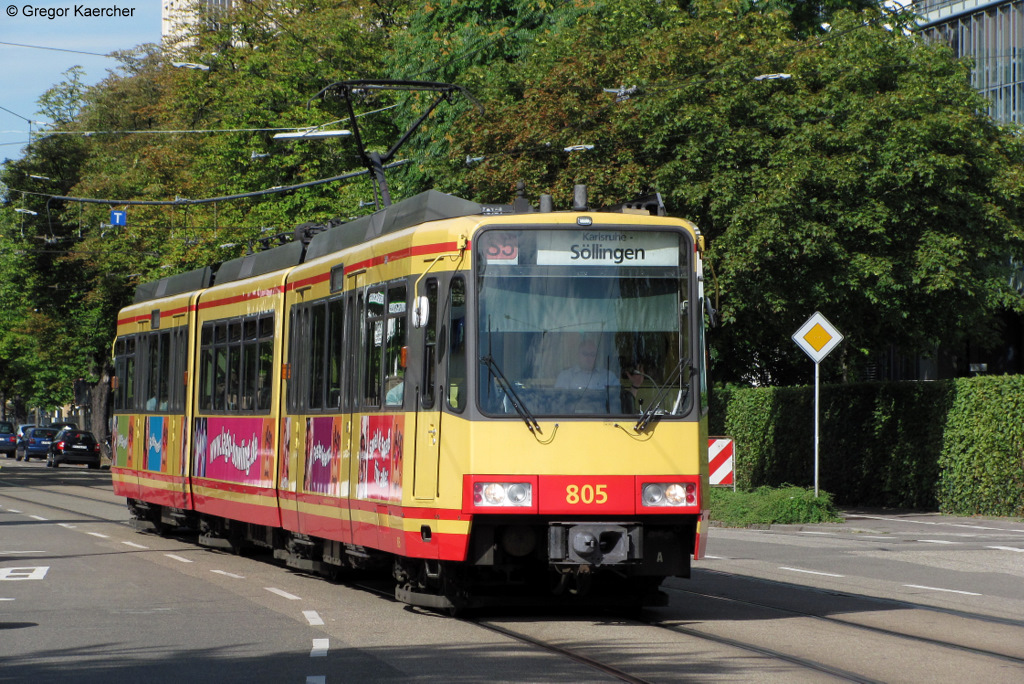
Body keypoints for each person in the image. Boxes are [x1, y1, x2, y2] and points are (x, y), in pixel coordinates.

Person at [555, 338, 619, 392]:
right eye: (585, 354)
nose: (588, 358)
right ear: (578, 355)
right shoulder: (565, 376)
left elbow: (617, 400)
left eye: (592, 354)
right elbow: (559, 400)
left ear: (597, 357)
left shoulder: (609, 377)